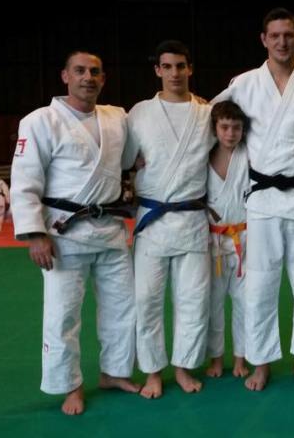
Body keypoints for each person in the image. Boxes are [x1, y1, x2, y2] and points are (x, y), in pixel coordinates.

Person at [211, 8, 294, 391]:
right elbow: (209, 119)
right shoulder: (244, 84)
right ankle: (261, 362)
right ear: (263, 39)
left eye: (288, 35)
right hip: (263, 201)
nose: (282, 42)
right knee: (260, 287)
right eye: (275, 36)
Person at [10, 51, 139, 415]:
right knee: (63, 314)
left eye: (95, 71)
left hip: (111, 230)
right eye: (79, 71)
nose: (88, 77)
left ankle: (114, 372)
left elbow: (129, 158)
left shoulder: (117, 118)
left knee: (122, 307)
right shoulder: (40, 121)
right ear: (65, 76)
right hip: (63, 233)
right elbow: (24, 180)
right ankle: (70, 385)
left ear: (103, 78)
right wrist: (34, 234)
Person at [123, 40, 215, 398]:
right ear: (157, 70)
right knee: (146, 300)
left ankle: (183, 367)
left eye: (180, 66)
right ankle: (152, 372)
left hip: (192, 219)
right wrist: (134, 166)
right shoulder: (140, 112)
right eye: (167, 67)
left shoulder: (207, 114)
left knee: (193, 299)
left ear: (190, 68)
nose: (174, 73)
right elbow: (125, 159)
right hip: (153, 220)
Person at [205, 101, 251, 379]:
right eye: (224, 127)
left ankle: (240, 358)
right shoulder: (203, 155)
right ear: (215, 128)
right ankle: (216, 358)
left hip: (245, 237)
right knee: (214, 302)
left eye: (236, 128)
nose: (230, 133)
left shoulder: (249, 154)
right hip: (213, 239)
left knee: (244, 302)